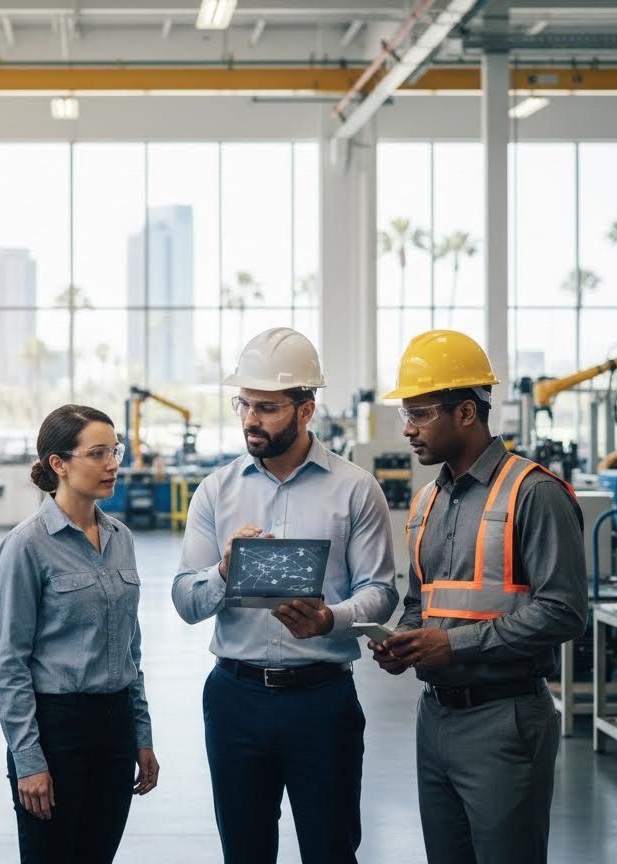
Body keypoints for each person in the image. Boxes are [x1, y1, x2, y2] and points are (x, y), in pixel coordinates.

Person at [172, 327, 398, 864]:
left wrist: (330, 619)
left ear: (306, 408)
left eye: (268, 407)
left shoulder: (354, 488)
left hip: (322, 703)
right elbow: (184, 600)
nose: (251, 419)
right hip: (235, 700)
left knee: (330, 848)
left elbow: (381, 591)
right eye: (244, 404)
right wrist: (224, 571)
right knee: (245, 852)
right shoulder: (216, 491)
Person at [370, 329, 587, 864]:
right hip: (435, 718)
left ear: (466, 412)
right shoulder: (427, 502)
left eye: (419, 414)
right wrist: (401, 642)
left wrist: (455, 646)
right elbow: (422, 604)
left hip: (505, 718)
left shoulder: (534, 493)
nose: (407, 429)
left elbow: (564, 612)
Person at [0, 404, 158, 864]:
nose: (112, 465)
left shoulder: (120, 537)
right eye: (98, 453)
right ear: (58, 464)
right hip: (57, 729)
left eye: (115, 451)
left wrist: (140, 736)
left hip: (116, 726)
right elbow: (10, 664)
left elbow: (131, 649)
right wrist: (29, 761)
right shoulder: (26, 546)